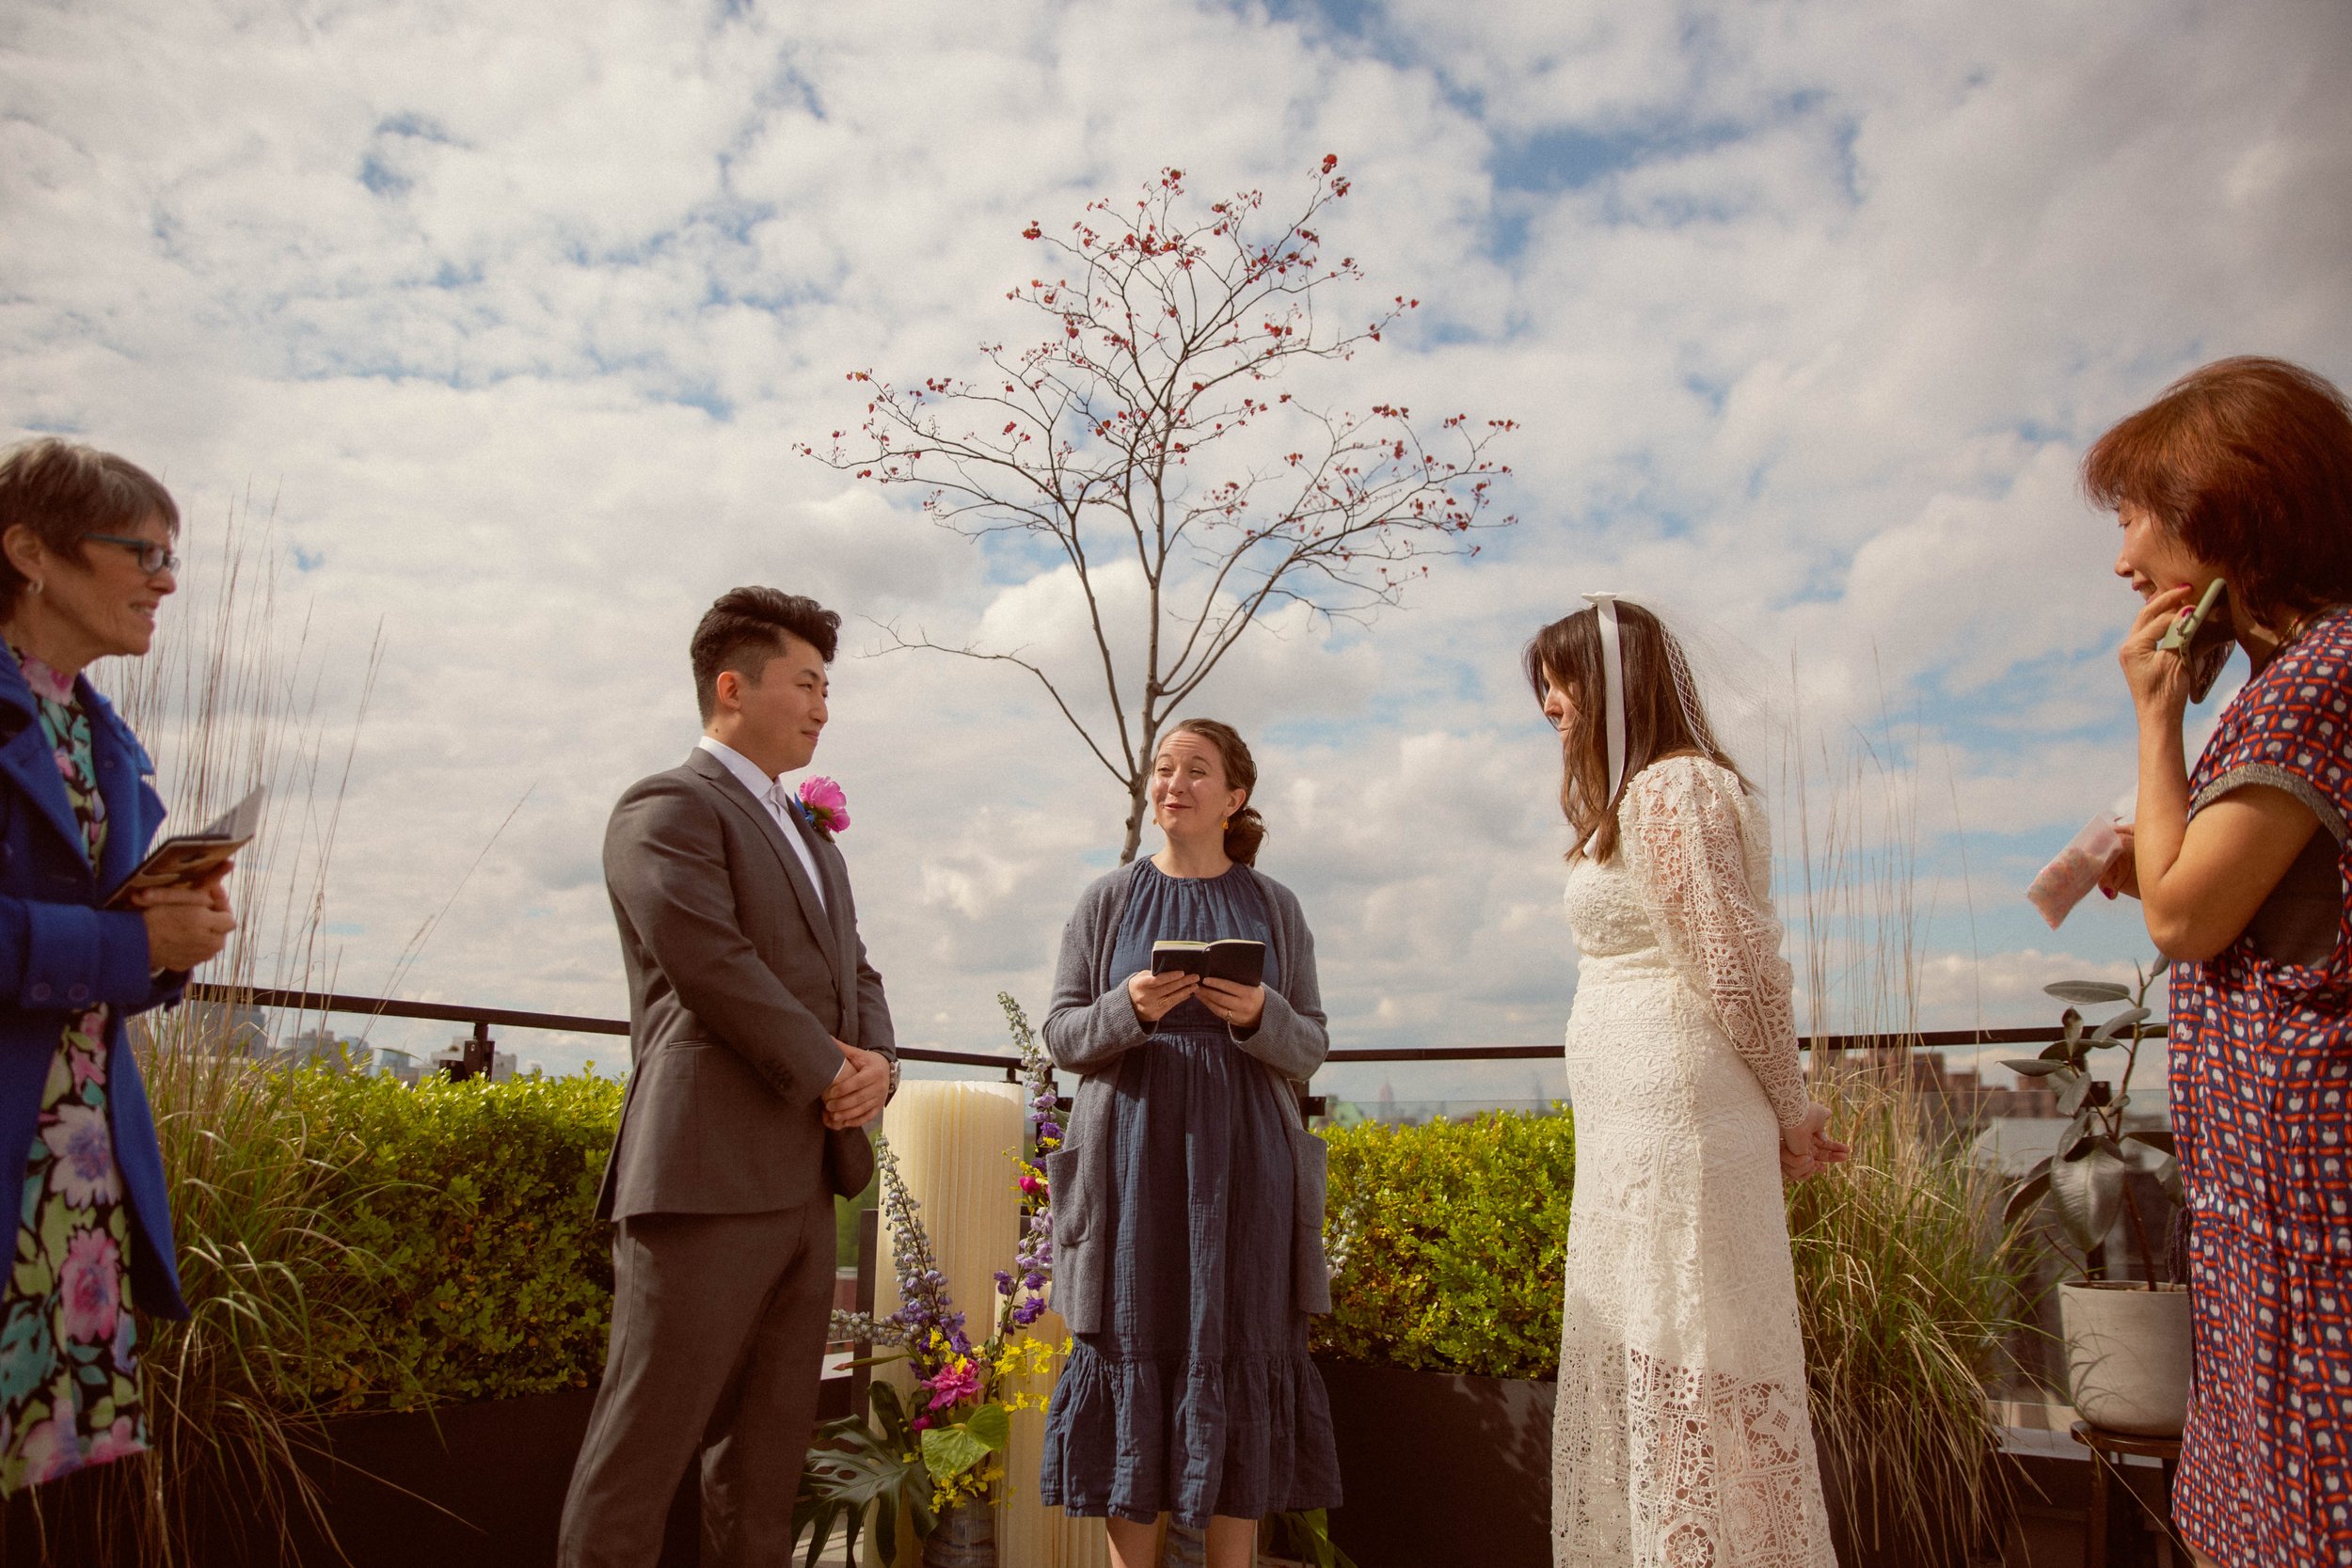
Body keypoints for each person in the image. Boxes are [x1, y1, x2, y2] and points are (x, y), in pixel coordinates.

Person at [558, 587, 898, 1568]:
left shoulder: (811, 833)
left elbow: (856, 970)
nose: (823, 706)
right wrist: (829, 1065)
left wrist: (877, 1064)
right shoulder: (665, 806)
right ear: (731, 685)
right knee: (642, 1448)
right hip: (702, 1178)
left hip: (802, 1180)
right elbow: (709, 961)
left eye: (828, 687)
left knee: (766, 1460)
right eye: (806, 682)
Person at [2089, 356, 2352, 1568]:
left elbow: (2187, 924)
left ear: (2229, 505)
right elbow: (2226, 889)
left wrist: (2154, 718)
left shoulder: (2315, 680)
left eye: (2140, 513)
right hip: (2270, 1189)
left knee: (2305, 1497)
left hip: (2307, 1195)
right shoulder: (2283, 683)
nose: (2125, 557)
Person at [1528, 595, 1846, 1568]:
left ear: (1619, 680)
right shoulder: (1633, 797)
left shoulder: (1675, 788)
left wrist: (1793, 1111)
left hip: (1682, 1108)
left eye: (1561, 678)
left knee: (1695, 1334)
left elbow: (1735, 961)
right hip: (1634, 1113)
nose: (1549, 703)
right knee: (1654, 1333)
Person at [1037, 719, 1342, 1568]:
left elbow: (1311, 1043)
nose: (1173, 783)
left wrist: (1259, 1016)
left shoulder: (1275, 905)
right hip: (1130, 1160)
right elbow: (1062, 1035)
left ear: (1235, 796)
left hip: (1246, 1163)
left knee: (1243, 1351)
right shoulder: (1106, 900)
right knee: (1133, 1345)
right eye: (1163, 769)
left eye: (1195, 771)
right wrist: (1129, 1006)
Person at [0, 438, 236, 1494]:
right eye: (140, 550)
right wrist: (126, 942)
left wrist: (171, 935)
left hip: (73, 1162)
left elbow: (107, 955)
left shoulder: (105, 737)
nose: (166, 579)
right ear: (29, 550)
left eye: (170, 555)